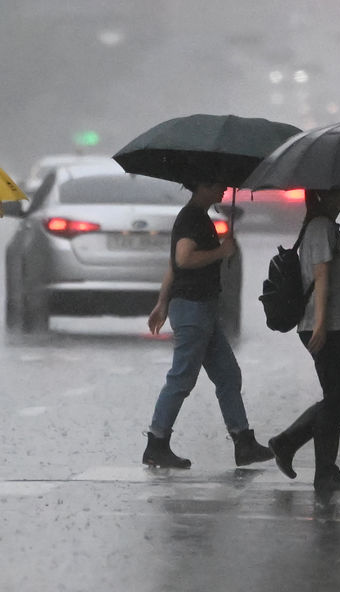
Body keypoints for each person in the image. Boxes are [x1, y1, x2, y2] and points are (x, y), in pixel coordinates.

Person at [142, 180, 273, 469]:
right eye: (216, 184)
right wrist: (221, 252)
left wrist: (163, 302)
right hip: (192, 309)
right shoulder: (192, 218)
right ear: (199, 186)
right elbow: (183, 259)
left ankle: (244, 442)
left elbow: (172, 266)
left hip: (201, 309)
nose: (223, 188)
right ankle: (156, 443)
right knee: (182, 378)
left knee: (227, 374)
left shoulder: (198, 218)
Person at [268, 187, 340, 496]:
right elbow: (320, 277)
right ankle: (321, 469)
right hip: (322, 325)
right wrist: (322, 326)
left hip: (332, 324)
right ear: (326, 195)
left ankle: (288, 444)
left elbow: (328, 274)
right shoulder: (321, 227)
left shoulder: (325, 227)